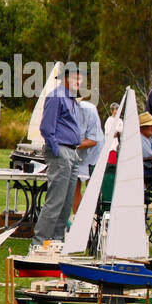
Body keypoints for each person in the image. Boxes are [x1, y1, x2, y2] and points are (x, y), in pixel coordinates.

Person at [33, 65, 84, 243]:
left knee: (66, 203)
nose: (78, 82)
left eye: (80, 78)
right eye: (75, 78)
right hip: (61, 151)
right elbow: (46, 128)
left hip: (72, 152)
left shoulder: (72, 99)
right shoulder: (56, 96)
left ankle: (56, 242)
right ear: (65, 79)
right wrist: (57, 150)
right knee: (55, 201)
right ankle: (39, 243)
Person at [71, 93, 104, 213]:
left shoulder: (89, 110)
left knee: (92, 189)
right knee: (74, 187)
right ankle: (76, 219)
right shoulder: (60, 111)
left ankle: (91, 218)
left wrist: (69, 144)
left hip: (94, 153)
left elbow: (93, 141)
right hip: (75, 153)